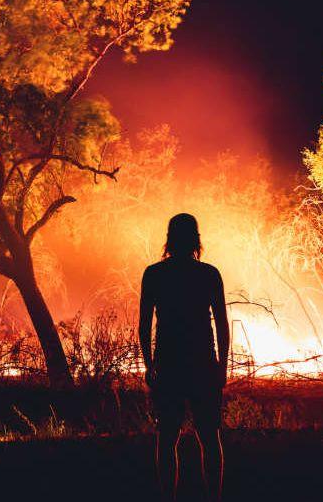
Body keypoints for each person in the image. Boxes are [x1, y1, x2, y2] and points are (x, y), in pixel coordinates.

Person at [139, 213, 229, 501]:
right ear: (196, 240)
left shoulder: (154, 274)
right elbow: (222, 325)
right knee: (209, 438)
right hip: (202, 362)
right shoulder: (209, 274)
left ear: (169, 239)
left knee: (166, 438)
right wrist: (222, 365)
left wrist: (149, 365)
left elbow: (143, 326)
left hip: (169, 363)